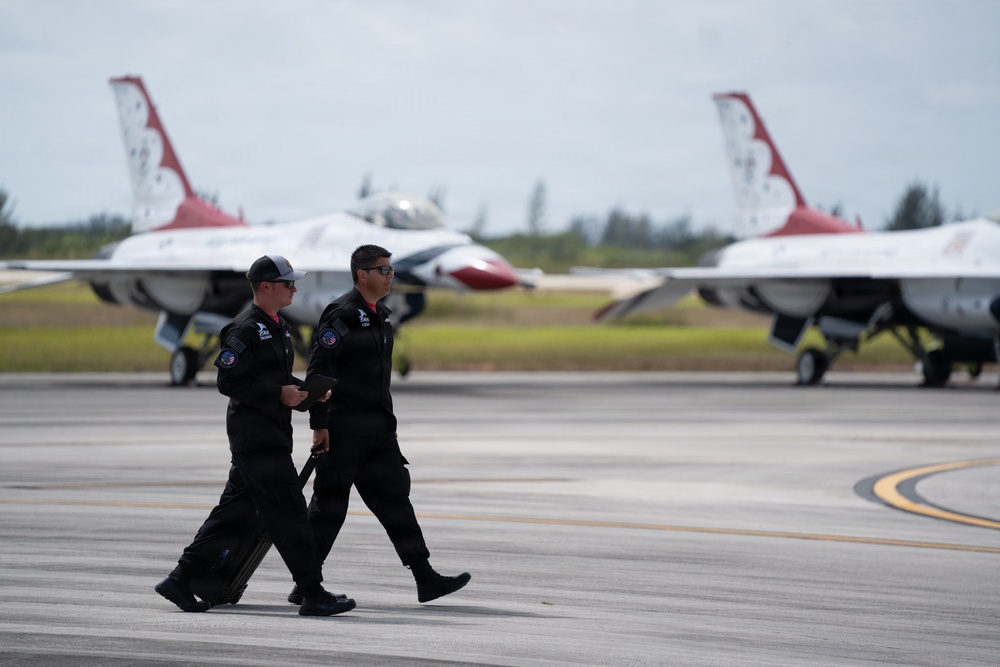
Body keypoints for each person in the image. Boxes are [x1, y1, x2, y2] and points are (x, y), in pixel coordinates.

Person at [155, 254, 356, 617]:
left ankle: (179, 579)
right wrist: (278, 394)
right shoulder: (245, 328)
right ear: (265, 286)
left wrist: (307, 391)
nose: (294, 289)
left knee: (231, 516)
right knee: (290, 514)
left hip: (270, 435)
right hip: (256, 439)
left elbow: (273, 378)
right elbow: (228, 381)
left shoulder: (278, 326)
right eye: (287, 283)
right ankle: (312, 592)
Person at [288, 244, 471, 605]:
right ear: (362, 275)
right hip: (342, 431)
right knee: (329, 510)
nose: (390, 276)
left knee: (396, 503)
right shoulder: (341, 315)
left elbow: (378, 380)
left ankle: (425, 578)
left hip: (377, 432)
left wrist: (389, 424)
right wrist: (319, 425)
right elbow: (319, 372)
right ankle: (306, 585)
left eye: (391, 269)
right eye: (383, 270)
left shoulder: (382, 316)